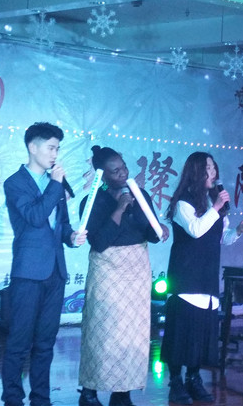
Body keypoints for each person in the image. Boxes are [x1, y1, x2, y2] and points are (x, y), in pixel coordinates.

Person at [1, 122, 87, 406]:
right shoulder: (15, 183)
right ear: (32, 147)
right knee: (19, 340)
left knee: (46, 342)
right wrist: (55, 185)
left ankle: (41, 398)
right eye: (50, 148)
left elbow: (60, 224)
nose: (54, 154)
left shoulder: (54, 184)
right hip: (28, 272)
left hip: (55, 272)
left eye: (57, 149)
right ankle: (13, 398)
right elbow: (35, 217)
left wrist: (71, 237)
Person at [160, 151, 243, 405]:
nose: (213, 173)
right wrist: (215, 208)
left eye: (214, 168)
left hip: (207, 275)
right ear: (196, 171)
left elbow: (222, 238)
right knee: (181, 332)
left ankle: (194, 378)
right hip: (186, 275)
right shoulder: (182, 203)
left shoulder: (215, 204)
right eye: (208, 168)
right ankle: (176, 382)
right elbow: (196, 230)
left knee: (201, 333)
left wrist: (239, 230)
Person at [77, 146, 170, 406]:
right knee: (103, 331)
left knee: (132, 333)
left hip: (136, 269)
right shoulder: (92, 201)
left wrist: (160, 229)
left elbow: (150, 233)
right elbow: (99, 242)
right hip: (107, 269)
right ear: (102, 175)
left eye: (124, 167)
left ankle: (122, 393)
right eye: (115, 171)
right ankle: (89, 392)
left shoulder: (141, 195)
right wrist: (119, 208)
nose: (122, 173)